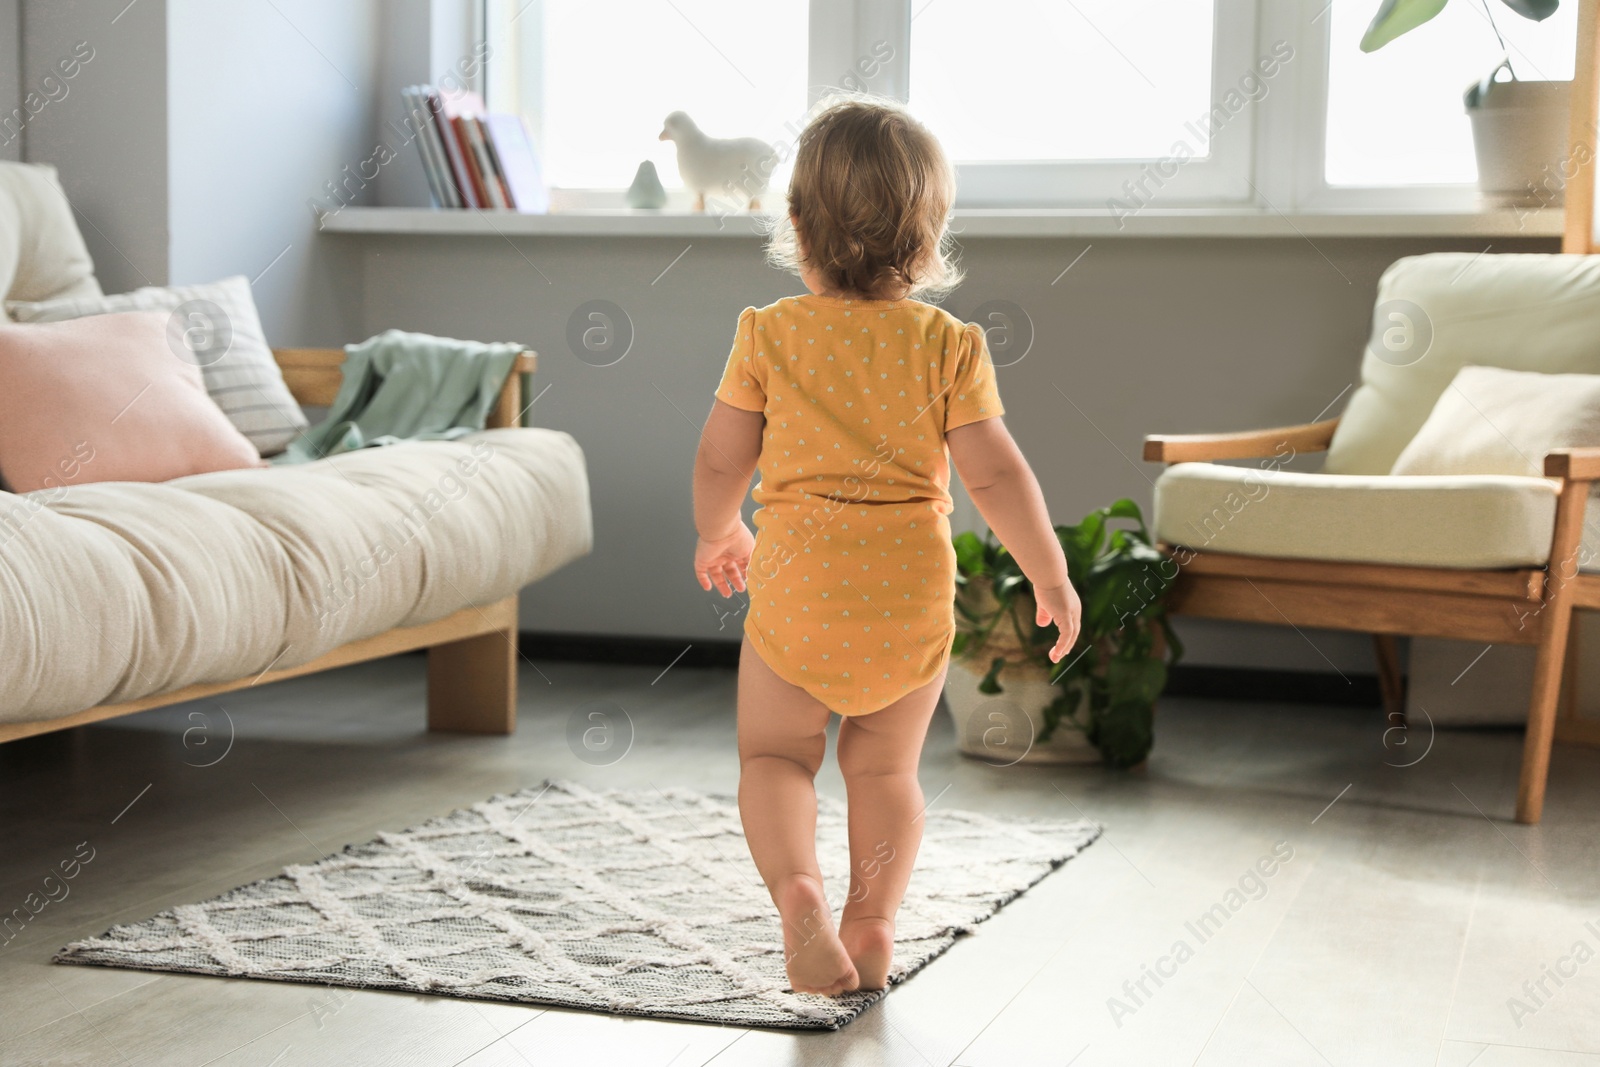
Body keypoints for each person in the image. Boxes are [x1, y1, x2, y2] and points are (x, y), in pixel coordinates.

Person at [692, 98, 1081, 995]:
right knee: (886, 768)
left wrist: (719, 529)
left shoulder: (770, 334)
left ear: (795, 224)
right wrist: (1048, 574)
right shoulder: (949, 346)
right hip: (906, 602)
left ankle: (800, 896)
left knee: (776, 758)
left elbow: (721, 456)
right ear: (930, 233)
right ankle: (870, 922)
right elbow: (997, 478)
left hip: (799, 594)